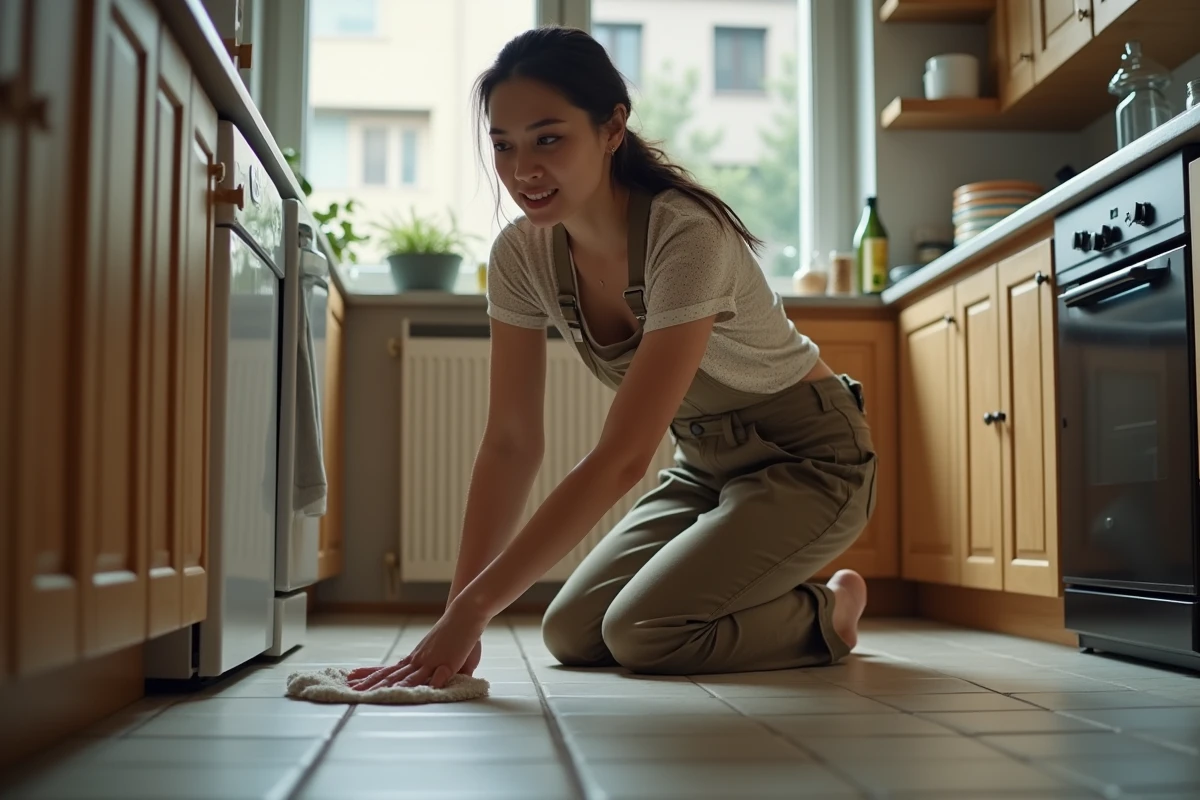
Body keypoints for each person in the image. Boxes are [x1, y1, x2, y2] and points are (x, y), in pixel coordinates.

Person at [351, 26, 876, 692]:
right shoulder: (521, 256)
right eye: (503, 146)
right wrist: (463, 613)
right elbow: (511, 443)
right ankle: (752, 571)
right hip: (707, 468)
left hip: (811, 461)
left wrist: (476, 608)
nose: (523, 170)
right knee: (570, 633)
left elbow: (626, 456)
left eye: (549, 138)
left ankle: (834, 610)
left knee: (644, 633)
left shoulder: (686, 235)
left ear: (611, 129)